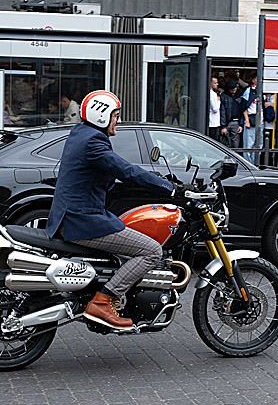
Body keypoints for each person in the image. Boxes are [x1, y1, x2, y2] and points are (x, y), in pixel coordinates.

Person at [45, 91, 181, 330]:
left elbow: (108, 169)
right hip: (82, 219)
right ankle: (103, 302)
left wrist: (152, 178)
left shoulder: (81, 133)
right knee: (151, 250)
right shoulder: (93, 142)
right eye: (115, 116)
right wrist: (167, 187)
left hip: (72, 214)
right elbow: (124, 169)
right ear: (101, 116)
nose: (118, 120)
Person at [218, 78, 247, 149]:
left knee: (235, 142)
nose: (234, 91)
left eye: (235, 89)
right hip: (228, 122)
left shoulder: (239, 96)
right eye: (232, 90)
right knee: (226, 142)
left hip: (236, 121)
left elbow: (242, 110)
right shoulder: (224, 96)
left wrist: (241, 124)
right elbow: (222, 111)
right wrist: (223, 126)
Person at [241, 73, 259, 161]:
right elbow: (244, 107)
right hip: (251, 119)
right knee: (248, 145)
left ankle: (255, 163)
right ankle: (248, 163)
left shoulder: (261, 91)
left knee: (258, 145)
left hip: (259, 120)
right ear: (253, 80)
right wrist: (247, 120)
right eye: (257, 78)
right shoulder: (249, 91)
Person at [262, 92, 276, 166]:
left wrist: (270, 104)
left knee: (271, 146)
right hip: (264, 125)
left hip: (273, 126)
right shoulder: (262, 95)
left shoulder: (276, 95)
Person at [208, 76, 221, 140]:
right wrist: (219, 101)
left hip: (214, 122)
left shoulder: (212, 93)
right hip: (213, 122)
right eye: (215, 83)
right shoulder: (212, 94)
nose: (217, 84)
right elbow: (215, 109)